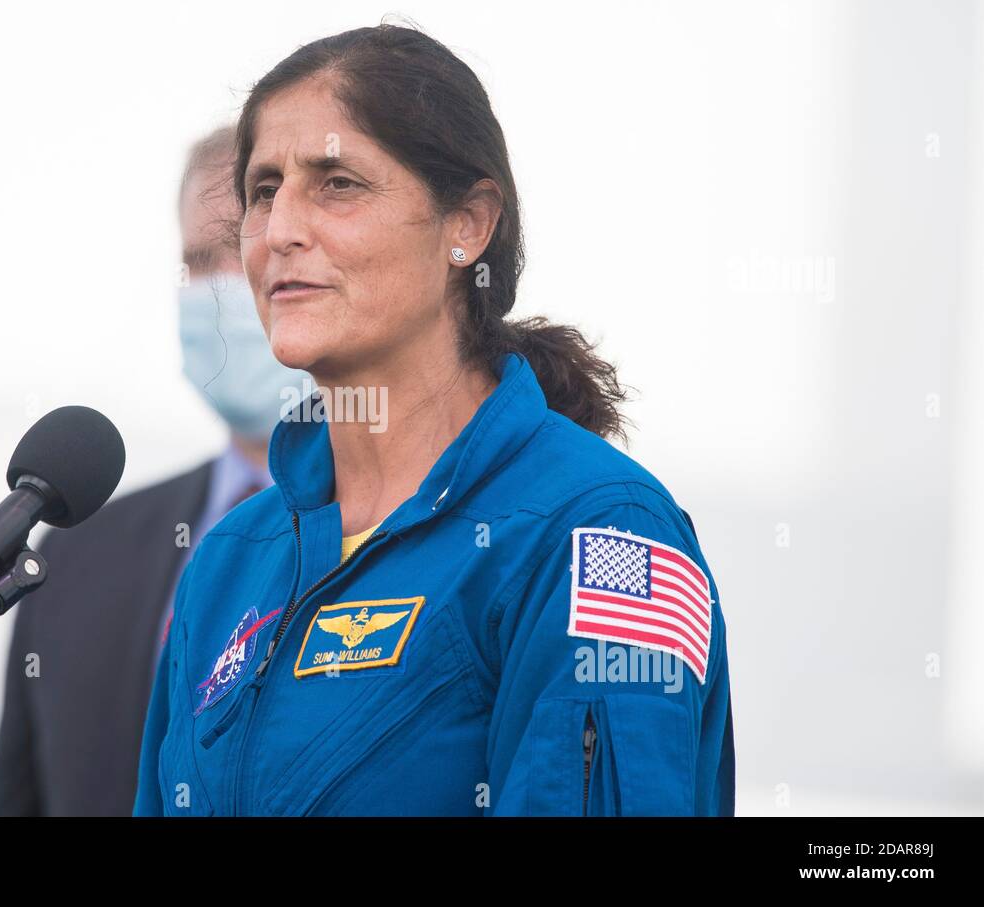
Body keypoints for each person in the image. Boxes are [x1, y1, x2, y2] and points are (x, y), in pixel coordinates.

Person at [133, 23, 735, 816]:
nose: (280, 230)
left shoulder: (605, 536)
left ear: (468, 225)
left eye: (337, 182)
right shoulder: (228, 562)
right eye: (264, 189)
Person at [0, 125, 306, 816]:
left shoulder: (414, 527)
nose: (220, 283)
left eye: (244, 247)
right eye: (198, 258)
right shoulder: (76, 551)